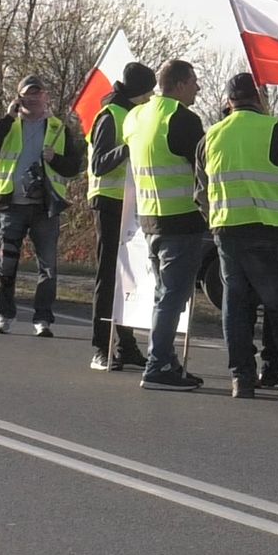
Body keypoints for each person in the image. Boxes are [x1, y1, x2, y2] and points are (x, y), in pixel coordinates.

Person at [196, 72, 278, 400]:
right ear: (259, 99)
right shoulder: (273, 129)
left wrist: (217, 217)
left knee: (235, 306)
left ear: (228, 102)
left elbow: (200, 192)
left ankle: (242, 378)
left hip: (226, 231)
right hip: (270, 230)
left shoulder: (211, 136)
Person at [100, 59, 206, 391]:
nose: (198, 88)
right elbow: (205, 169)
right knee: (172, 296)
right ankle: (159, 364)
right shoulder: (182, 119)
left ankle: (166, 361)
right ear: (180, 84)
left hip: (148, 219)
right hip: (180, 219)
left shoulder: (136, 116)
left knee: (164, 293)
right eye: (194, 82)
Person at [0, 74, 84, 338]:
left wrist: (55, 158)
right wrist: (6, 117)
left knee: (48, 266)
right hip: (12, 205)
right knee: (7, 266)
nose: (33, 98)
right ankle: (5, 315)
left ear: (46, 97)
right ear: (19, 97)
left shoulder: (58, 128)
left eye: (38, 94)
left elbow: (74, 167)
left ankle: (43, 319)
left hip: (45, 207)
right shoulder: (9, 126)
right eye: (28, 94)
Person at [85, 62, 157, 371]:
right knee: (109, 276)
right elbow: (100, 164)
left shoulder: (135, 115)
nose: (151, 97)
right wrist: (129, 146)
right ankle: (101, 346)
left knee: (130, 277)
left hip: (134, 204)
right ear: (139, 92)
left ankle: (126, 344)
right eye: (149, 92)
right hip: (110, 202)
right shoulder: (110, 115)